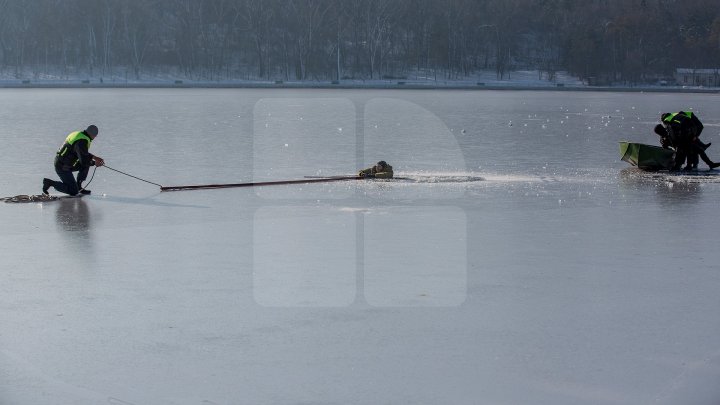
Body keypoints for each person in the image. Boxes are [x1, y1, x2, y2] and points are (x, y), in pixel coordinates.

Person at [43, 125, 105, 196]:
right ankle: (50, 183)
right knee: (73, 191)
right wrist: (95, 163)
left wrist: (95, 157)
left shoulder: (79, 135)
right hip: (62, 167)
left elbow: (82, 152)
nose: (94, 138)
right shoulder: (82, 141)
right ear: (92, 134)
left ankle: (79, 186)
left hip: (65, 162)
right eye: (95, 136)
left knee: (86, 164)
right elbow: (84, 161)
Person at [655, 111, 720, 170]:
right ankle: (707, 164)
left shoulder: (669, 124)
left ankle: (685, 165)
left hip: (686, 131)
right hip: (689, 130)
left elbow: (676, 141)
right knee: (695, 148)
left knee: (688, 148)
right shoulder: (674, 120)